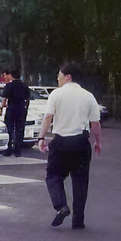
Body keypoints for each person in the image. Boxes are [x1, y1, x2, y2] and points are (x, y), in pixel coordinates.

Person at [38, 63, 102, 230]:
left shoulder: (56, 95)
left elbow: (48, 118)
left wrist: (41, 138)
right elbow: (95, 123)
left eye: (59, 75)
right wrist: (98, 142)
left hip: (61, 143)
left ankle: (61, 206)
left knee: (53, 176)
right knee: (81, 181)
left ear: (68, 76)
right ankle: (78, 220)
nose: (57, 79)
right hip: (81, 143)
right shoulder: (88, 96)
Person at [0, 68, 30, 157]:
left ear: (11, 75)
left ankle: (8, 149)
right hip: (21, 108)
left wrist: (1, 109)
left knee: (10, 129)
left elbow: (5, 99)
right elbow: (27, 99)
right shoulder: (24, 85)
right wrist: (26, 108)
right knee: (20, 130)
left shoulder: (9, 86)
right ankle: (18, 150)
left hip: (11, 109)